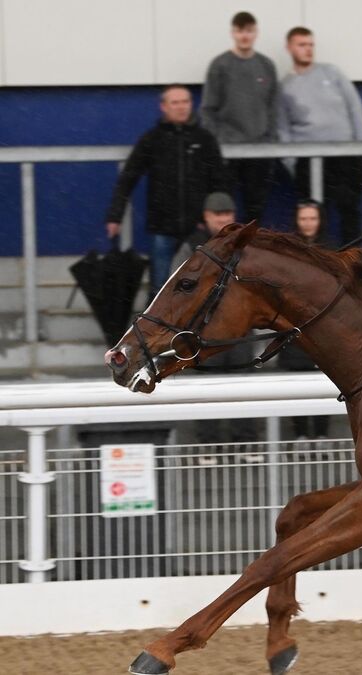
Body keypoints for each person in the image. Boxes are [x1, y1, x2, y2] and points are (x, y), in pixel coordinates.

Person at [105, 84, 227, 298]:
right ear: (163, 106)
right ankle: (156, 322)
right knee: (160, 288)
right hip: (162, 228)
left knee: (202, 285)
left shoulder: (205, 139)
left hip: (198, 227)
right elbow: (128, 178)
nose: (181, 107)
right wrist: (115, 216)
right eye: (175, 102)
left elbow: (221, 183)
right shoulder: (151, 140)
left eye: (186, 101)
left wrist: (216, 218)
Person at [277, 26, 362, 246]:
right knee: (315, 213)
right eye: (302, 44)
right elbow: (282, 128)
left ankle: (353, 257)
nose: (308, 49)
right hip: (308, 160)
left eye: (311, 44)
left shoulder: (332, 73)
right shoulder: (284, 87)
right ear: (289, 48)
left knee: (349, 208)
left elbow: (355, 108)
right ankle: (319, 259)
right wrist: (293, 163)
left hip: (346, 155)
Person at [188, 192, 260, 460]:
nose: (223, 219)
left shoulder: (244, 246)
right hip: (206, 332)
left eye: (227, 214)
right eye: (218, 215)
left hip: (240, 330)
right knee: (207, 389)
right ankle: (208, 444)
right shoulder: (193, 246)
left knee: (243, 387)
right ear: (206, 217)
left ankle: (246, 443)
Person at [201, 11, 278, 225]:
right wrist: (217, 144)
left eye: (249, 31)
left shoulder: (266, 65)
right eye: (240, 31)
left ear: (256, 33)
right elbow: (208, 109)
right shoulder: (220, 65)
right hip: (227, 152)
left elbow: (273, 108)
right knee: (224, 210)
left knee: (256, 210)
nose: (245, 36)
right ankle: (228, 247)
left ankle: (250, 246)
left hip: (260, 150)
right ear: (232, 32)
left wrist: (270, 141)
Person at [278, 200, 332, 441]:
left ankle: (321, 434)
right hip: (295, 327)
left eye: (312, 218)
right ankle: (300, 433)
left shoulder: (330, 249)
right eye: (303, 219)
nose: (308, 223)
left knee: (326, 383)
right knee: (296, 383)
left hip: (324, 328)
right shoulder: (288, 251)